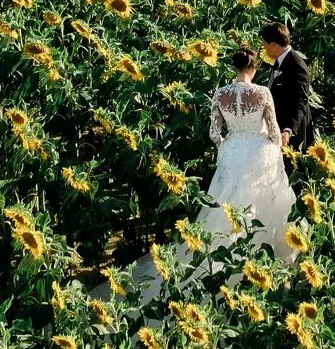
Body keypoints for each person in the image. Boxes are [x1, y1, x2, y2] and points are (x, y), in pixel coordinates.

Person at [131, 47, 296, 302]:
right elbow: (274, 131)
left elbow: (213, 132)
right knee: (261, 205)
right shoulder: (263, 93)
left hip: (232, 152)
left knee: (226, 205)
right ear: (254, 68)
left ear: (235, 67)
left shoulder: (221, 94)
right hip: (258, 152)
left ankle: (222, 264)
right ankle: (264, 267)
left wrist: (226, 145)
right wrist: (274, 146)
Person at [261, 22, 313, 154]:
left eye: (265, 44)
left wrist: (289, 130)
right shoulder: (279, 61)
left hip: (291, 136)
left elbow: (301, 101)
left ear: (274, 44)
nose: (264, 48)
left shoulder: (296, 65)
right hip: (277, 128)